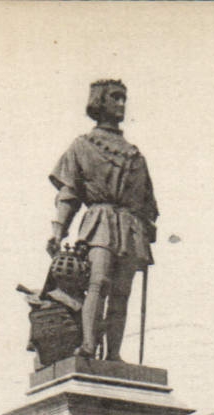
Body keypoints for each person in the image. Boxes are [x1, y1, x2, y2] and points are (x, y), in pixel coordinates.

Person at [48, 79, 158, 360]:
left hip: (130, 228)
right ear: (99, 101)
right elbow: (69, 192)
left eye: (123, 99)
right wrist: (58, 230)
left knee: (122, 293)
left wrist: (147, 226)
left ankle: (114, 355)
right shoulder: (82, 146)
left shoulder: (135, 155)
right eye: (115, 97)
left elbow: (147, 202)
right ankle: (88, 345)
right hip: (99, 222)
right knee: (98, 283)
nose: (121, 104)